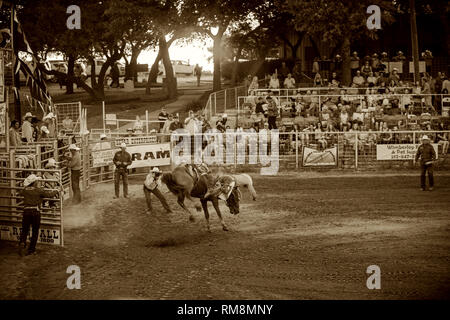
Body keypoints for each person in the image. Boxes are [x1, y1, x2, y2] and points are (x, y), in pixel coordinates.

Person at [19, 174, 58, 255]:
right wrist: (56, 190)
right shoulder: (39, 190)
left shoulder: (25, 190)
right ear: (34, 182)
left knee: (25, 229)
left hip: (26, 212)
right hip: (35, 212)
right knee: (35, 231)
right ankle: (31, 249)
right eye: (36, 181)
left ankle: (22, 242)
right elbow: (49, 195)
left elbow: (20, 193)